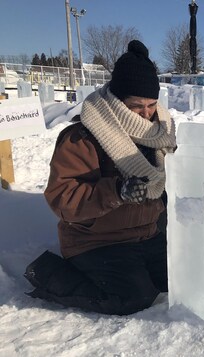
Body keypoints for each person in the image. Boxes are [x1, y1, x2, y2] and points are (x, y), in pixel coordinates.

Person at [23, 40, 177, 315]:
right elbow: (62, 198)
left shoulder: (159, 134)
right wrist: (117, 191)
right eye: (136, 106)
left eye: (152, 104)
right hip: (97, 241)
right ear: (117, 101)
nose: (147, 114)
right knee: (134, 297)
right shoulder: (82, 137)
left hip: (146, 234)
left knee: (177, 281)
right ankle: (48, 273)